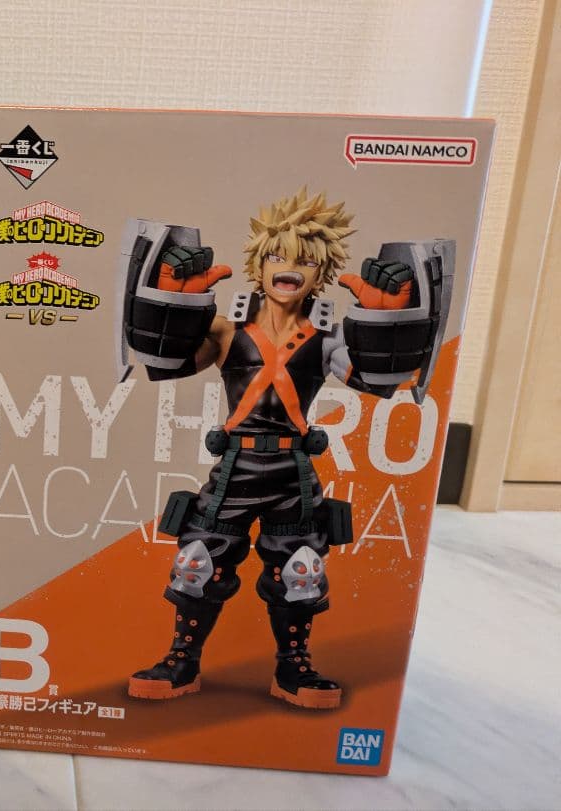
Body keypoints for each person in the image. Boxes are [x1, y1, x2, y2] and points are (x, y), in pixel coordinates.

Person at [126, 188, 423, 709]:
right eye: (277, 255)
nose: (289, 268)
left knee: (300, 571)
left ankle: (293, 668)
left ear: (321, 272)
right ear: (258, 264)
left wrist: (387, 327)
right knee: (198, 562)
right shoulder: (226, 329)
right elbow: (166, 361)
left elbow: (377, 380)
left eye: (305, 260)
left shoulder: (326, 337)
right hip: (235, 468)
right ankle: (182, 661)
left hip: (293, 473)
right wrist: (172, 305)